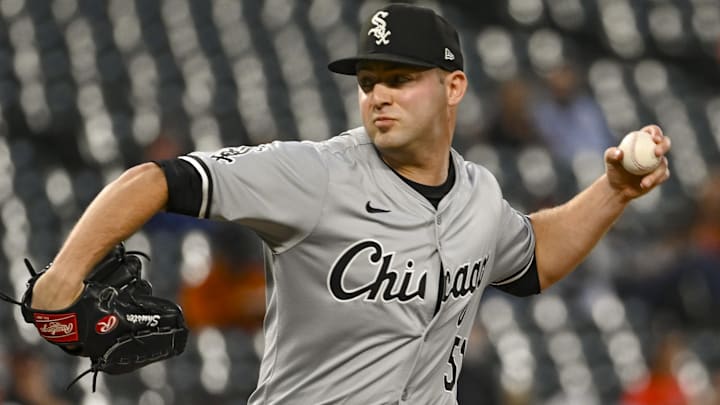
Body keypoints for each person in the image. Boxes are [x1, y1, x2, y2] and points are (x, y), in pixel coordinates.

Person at [27, 4, 671, 405]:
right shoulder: (315, 174)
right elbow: (158, 178)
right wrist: (63, 275)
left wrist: (612, 191)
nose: (378, 97)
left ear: (454, 87)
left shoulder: (480, 194)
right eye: (368, 84)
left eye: (399, 79)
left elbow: (533, 258)